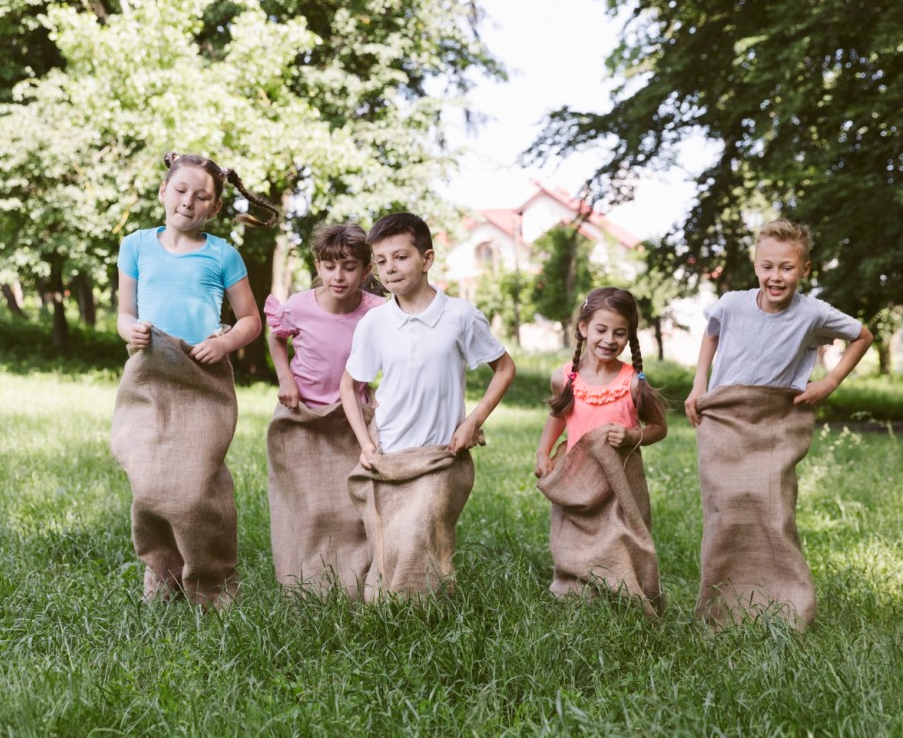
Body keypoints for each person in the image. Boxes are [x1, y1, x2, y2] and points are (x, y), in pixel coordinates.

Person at [684, 218, 873, 630]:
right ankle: (722, 607)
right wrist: (699, 385)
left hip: (774, 422)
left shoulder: (813, 312)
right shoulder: (732, 303)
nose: (776, 276)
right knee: (725, 511)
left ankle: (783, 608)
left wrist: (831, 381)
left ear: (805, 270)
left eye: (787, 267)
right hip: (724, 419)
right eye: (767, 266)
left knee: (773, 509)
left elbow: (863, 335)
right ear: (756, 265)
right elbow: (711, 332)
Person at [110, 151, 279, 609]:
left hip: (202, 377)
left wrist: (224, 344)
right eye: (180, 190)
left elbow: (250, 320)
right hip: (150, 371)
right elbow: (125, 314)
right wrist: (132, 329)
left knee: (195, 487)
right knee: (150, 485)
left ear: (215, 208)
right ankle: (162, 578)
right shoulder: (137, 245)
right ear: (164, 192)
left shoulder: (223, 254)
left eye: (202, 196)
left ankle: (210, 585)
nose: (188, 201)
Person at [339, 212, 516, 600]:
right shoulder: (375, 323)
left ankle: (425, 609)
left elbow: (504, 369)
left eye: (400, 257)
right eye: (381, 262)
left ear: (427, 258)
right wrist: (365, 444)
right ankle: (390, 608)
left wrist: (473, 421)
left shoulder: (460, 317)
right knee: (394, 537)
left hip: (441, 453)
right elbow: (350, 384)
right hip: (390, 451)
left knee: (422, 527)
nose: (390, 269)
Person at [263, 224, 385, 597]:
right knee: (307, 504)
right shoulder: (300, 305)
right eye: (330, 266)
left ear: (366, 271)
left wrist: (383, 393)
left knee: (348, 504)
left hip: (349, 419)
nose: (339, 276)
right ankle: (302, 578)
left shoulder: (378, 311)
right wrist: (286, 379)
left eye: (349, 267)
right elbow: (276, 338)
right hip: (302, 415)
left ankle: (351, 577)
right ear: (318, 265)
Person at [534, 287, 668, 613]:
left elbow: (658, 428)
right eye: (601, 329)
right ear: (583, 328)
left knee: (620, 540)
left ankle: (627, 595)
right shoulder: (564, 376)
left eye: (619, 333)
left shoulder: (634, 383)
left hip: (619, 482)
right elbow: (557, 414)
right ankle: (575, 589)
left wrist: (631, 435)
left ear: (629, 337)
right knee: (574, 539)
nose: (609, 339)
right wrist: (544, 452)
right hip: (578, 478)